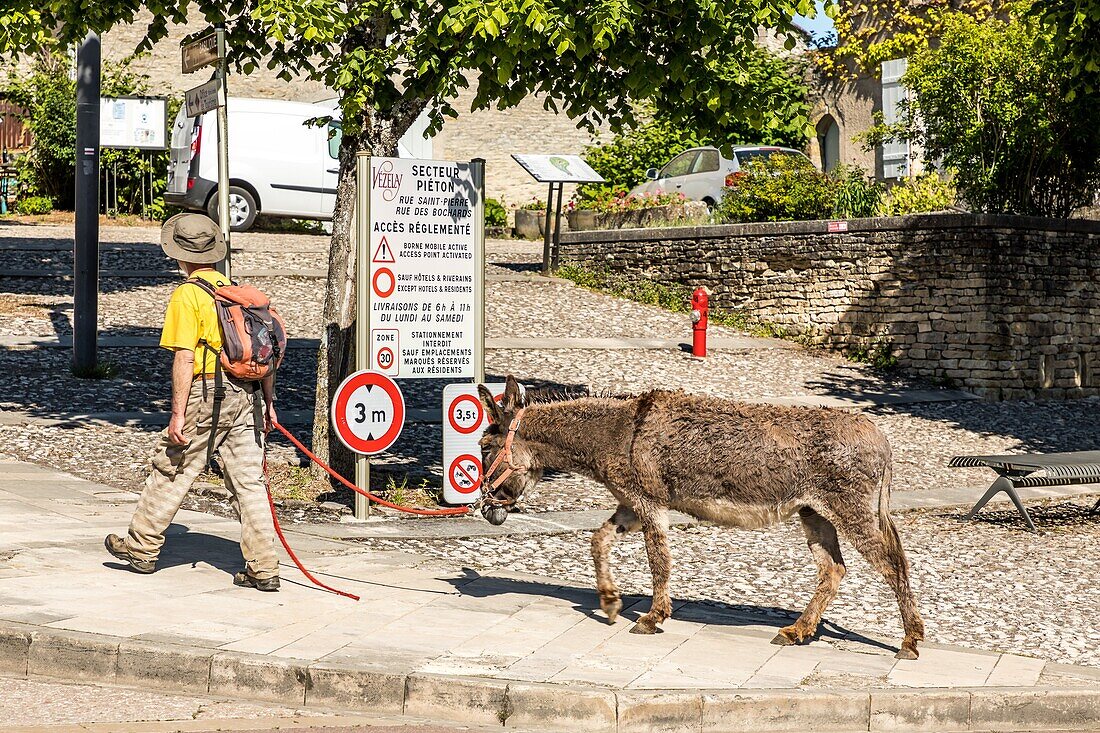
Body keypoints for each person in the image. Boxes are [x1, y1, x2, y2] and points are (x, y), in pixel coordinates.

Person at [105, 213, 280, 591]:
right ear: (214, 253)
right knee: (249, 483)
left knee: (173, 466)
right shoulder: (235, 292)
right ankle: (264, 567)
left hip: (208, 394)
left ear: (179, 255)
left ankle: (141, 546)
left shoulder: (188, 295)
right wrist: (270, 402)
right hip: (248, 397)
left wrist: (177, 414)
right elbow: (265, 353)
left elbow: (184, 357)